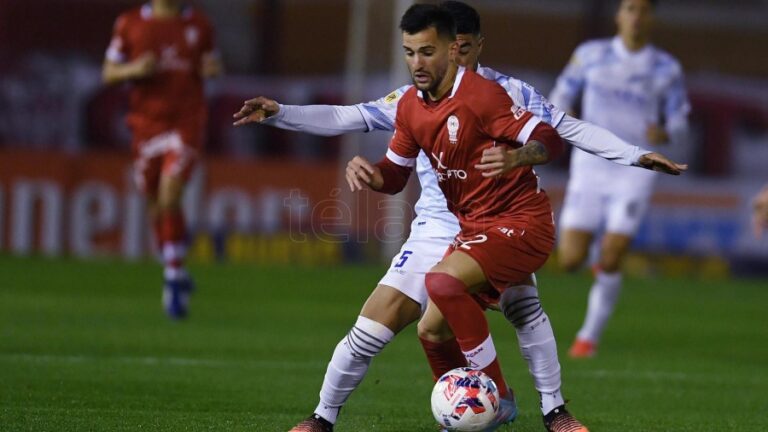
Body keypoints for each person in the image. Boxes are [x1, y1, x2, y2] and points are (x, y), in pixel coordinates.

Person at [234, 3, 683, 431]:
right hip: (437, 225)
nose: (449, 58)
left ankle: (550, 410)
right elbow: (350, 118)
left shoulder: (503, 94)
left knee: (521, 306)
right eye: (416, 51)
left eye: (458, 48)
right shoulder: (411, 99)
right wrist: (282, 114)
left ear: (470, 46)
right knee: (384, 326)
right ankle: (326, 417)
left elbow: (564, 129)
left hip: (503, 219)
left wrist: (633, 154)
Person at [549, 0, 691, 358]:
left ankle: (587, 338)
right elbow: (561, 93)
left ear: (652, 18)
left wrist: (665, 133)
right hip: (590, 165)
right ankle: (601, 256)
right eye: (630, 8)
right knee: (570, 259)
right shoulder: (590, 55)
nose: (636, 17)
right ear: (619, 15)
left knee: (612, 256)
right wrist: (566, 116)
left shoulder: (666, 68)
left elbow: (679, 119)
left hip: (636, 169)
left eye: (643, 10)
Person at [103, 0, 222, 319]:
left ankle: (172, 277)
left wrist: (211, 69)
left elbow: (212, 64)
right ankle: (177, 264)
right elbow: (109, 72)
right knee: (156, 204)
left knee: (170, 195)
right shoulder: (129, 23)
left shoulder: (199, 24)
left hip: (186, 124)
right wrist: (134, 69)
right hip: (145, 127)